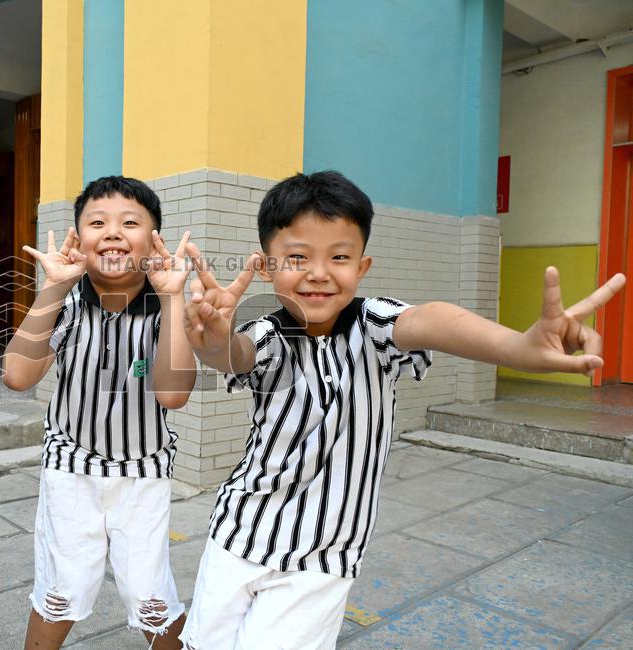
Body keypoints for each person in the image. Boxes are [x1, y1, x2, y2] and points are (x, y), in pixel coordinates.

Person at [179, 170, 626, 649]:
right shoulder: (269, 333)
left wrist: (519, 347)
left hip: (324, 553)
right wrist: (214, 341)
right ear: (267, 268)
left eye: (340, 257)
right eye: (297, 257)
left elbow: (429, 319)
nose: (318, 272)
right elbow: (236, 354)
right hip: (240, 529)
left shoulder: (374, 327)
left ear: (363, 267)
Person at [3, 176, 196, 649]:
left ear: (153, 241)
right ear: (80, 239)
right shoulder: (66, 302)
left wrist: (172, 297)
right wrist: (51, 288)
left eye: (129, 222)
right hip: (72, 466)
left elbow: (174, 396)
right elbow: (17, 376)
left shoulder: (164, 307)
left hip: (142, 471)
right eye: (97, 222)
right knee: (61, 587)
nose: (112, 232)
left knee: (150, 593)